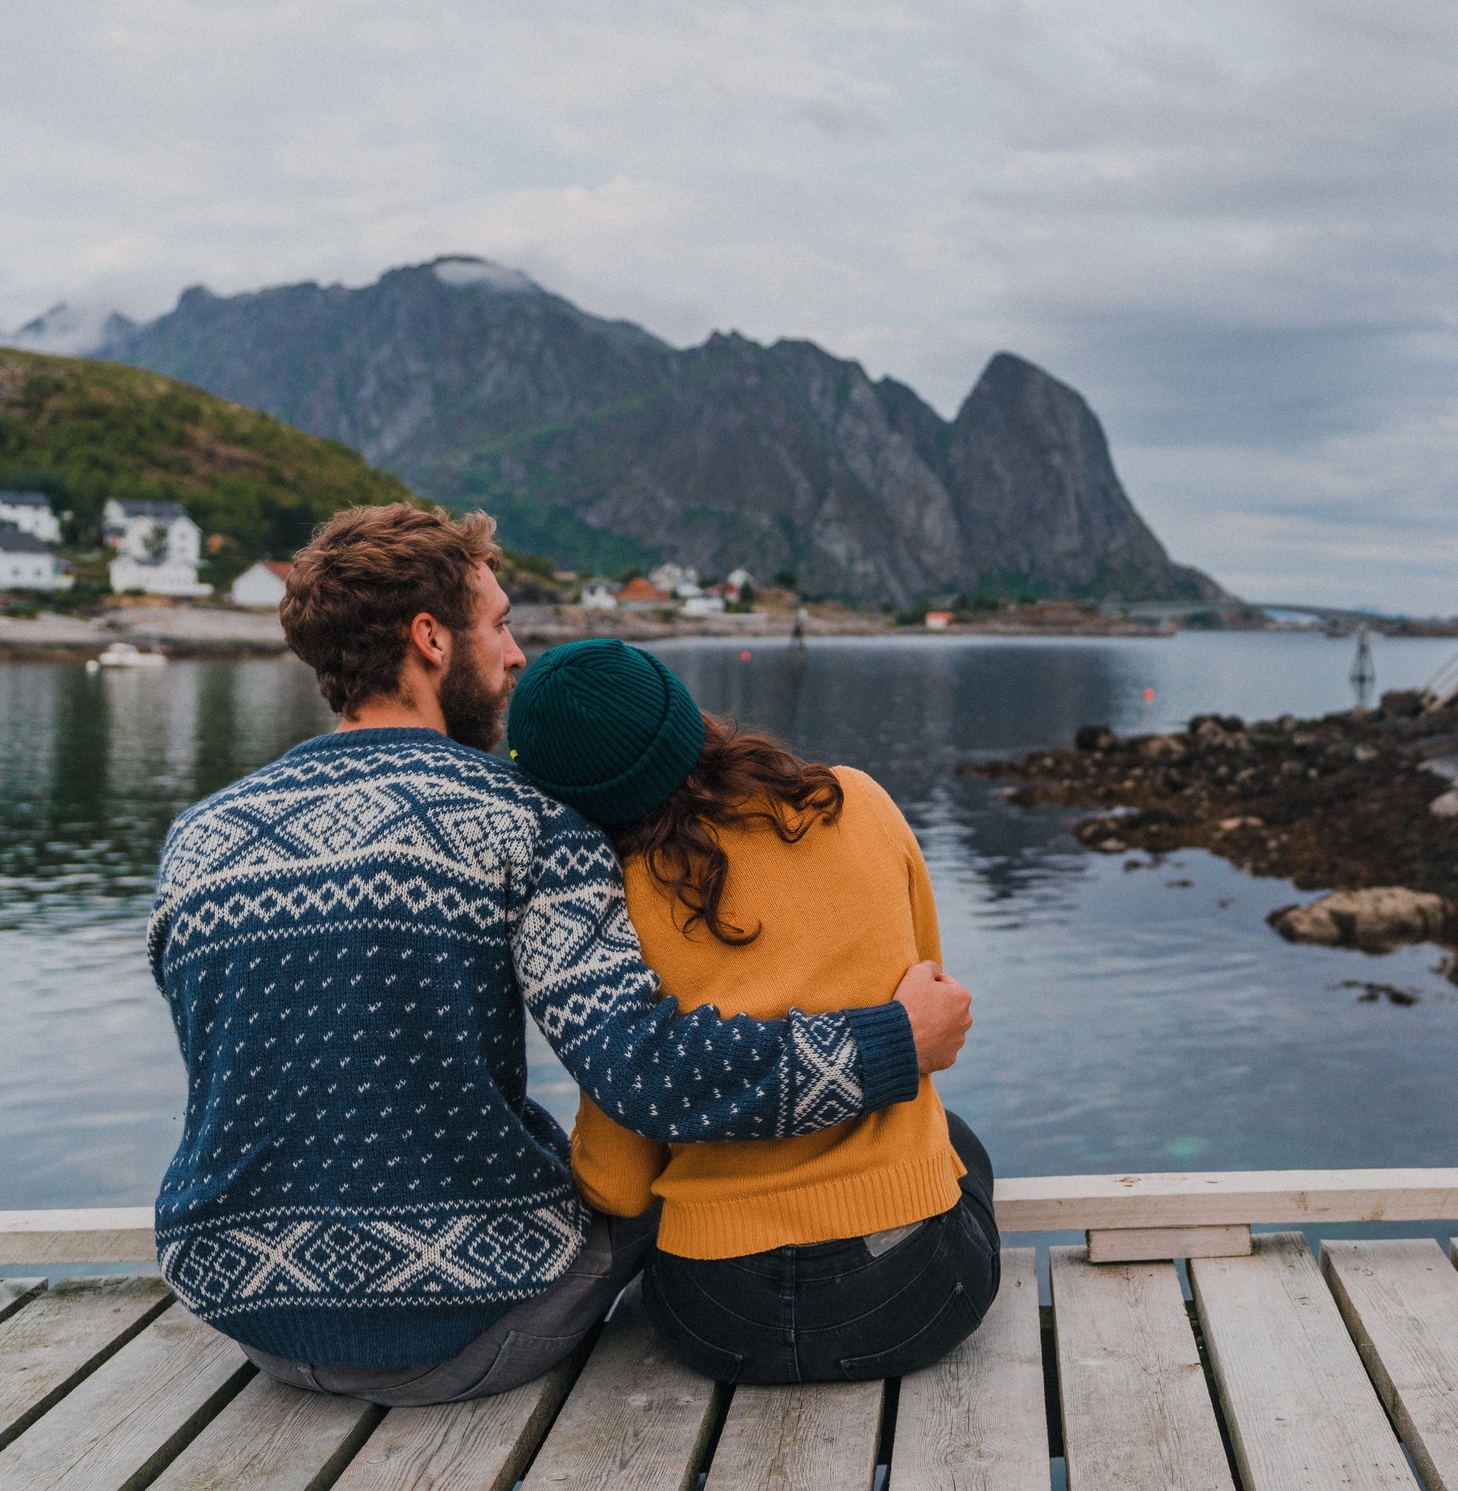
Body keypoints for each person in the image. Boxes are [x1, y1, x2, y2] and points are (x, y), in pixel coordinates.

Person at [145, 505, 972, 1406]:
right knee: (661, 1173)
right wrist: (890, 1043)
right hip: (467, 1325)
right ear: (430, 639)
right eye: (500, 625)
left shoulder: (199, 838)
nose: (514, 657)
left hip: (246, 1309)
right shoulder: (529, 824)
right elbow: (648, 1076)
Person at [504, 638, 998, 1383]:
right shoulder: (856, 801)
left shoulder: (612, 910)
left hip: (717, 1314)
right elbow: (929, 999)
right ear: (683, 711)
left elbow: (621, 1184)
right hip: (915, 1294)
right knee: (961, 1144)